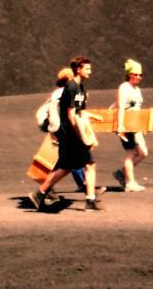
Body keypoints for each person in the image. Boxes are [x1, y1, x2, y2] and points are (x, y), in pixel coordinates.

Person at [30, 56, 103, 211]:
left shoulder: (82, 88)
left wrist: (91, 119)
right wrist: (80, 134)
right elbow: (70, 114)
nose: (90, 71)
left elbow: (80, 112)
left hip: (74, 133)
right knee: (86, 164)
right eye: (87, 69)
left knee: (69, 167)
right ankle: (89, 199)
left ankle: (40, 193)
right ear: (78, 69)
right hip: (70, 134)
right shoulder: (71, 88)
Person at [42, 68, 88, 200]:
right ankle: (85, 186)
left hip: (59, 128)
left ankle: (45, 188)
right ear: (69, 78)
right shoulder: (65, 91)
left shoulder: (60, 92)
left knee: (65, 160)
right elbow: (69, 112)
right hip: (63, 128)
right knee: (72, 158)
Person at [114, 59, 148, 192]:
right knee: (131, 152)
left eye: (140, 75)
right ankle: (130, 183)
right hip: (126, 125)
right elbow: (121, 106)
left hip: (136, 125)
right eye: (136, 74)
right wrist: (120, 125)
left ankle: (122, 173)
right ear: (129, 74)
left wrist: (142, 125)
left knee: (143, 153)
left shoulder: (137, 89)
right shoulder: (124, 87)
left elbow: (137, 109)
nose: (138, 77)